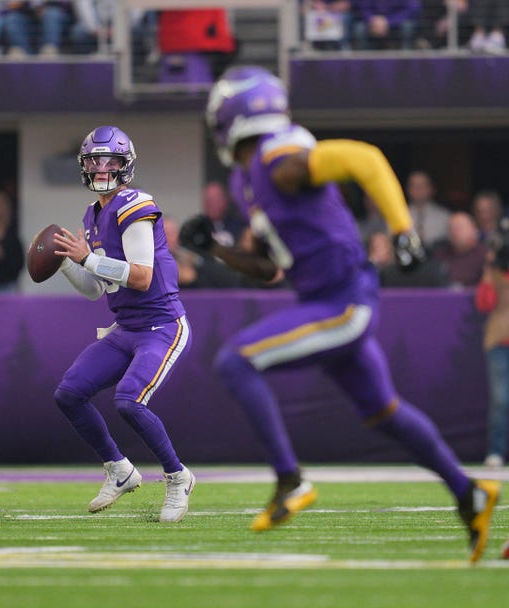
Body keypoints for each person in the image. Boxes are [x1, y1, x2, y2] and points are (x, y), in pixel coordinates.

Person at [184, 65, 499, 561]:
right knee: (385, 413)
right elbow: (269, 267)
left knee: (235, 361)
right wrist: (218, 251)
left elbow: (363, 158)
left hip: (343, 302)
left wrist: (402, 230)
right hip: (323, 301)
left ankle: (289, 480)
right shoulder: (251, 178)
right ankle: (470, 495)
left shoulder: (279, 158)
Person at [51, 126, 195, 523]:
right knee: (69, 394)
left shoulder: (136, 203)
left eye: (109, 160)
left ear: (125, 165)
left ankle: (178, 476)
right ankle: (119, 469)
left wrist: (87, 258)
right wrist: (66, 262)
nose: (101, 168)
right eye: (93, 160)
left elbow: (142, 276)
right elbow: (96, 289)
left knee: (129, 400)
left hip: (162, 325)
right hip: (126, 327)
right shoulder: (92, 214)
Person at [475, 244, 509, 468]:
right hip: (499, 343)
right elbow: (484, 304)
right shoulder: (496, 275)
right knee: (500, 400)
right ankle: (496, 450)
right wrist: (488, 273)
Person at [431, 212, 488, 287]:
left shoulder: (486, 256)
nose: (454, 232)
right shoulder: (440, 255)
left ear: (473, 229)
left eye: (458, 228)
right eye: (451, 229)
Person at [405, 170, 451, 248]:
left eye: (421, 186)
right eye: (413, 186)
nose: (417, 190)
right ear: (408, 189)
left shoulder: (445, 217)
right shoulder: (399, 216)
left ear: (431, 189)